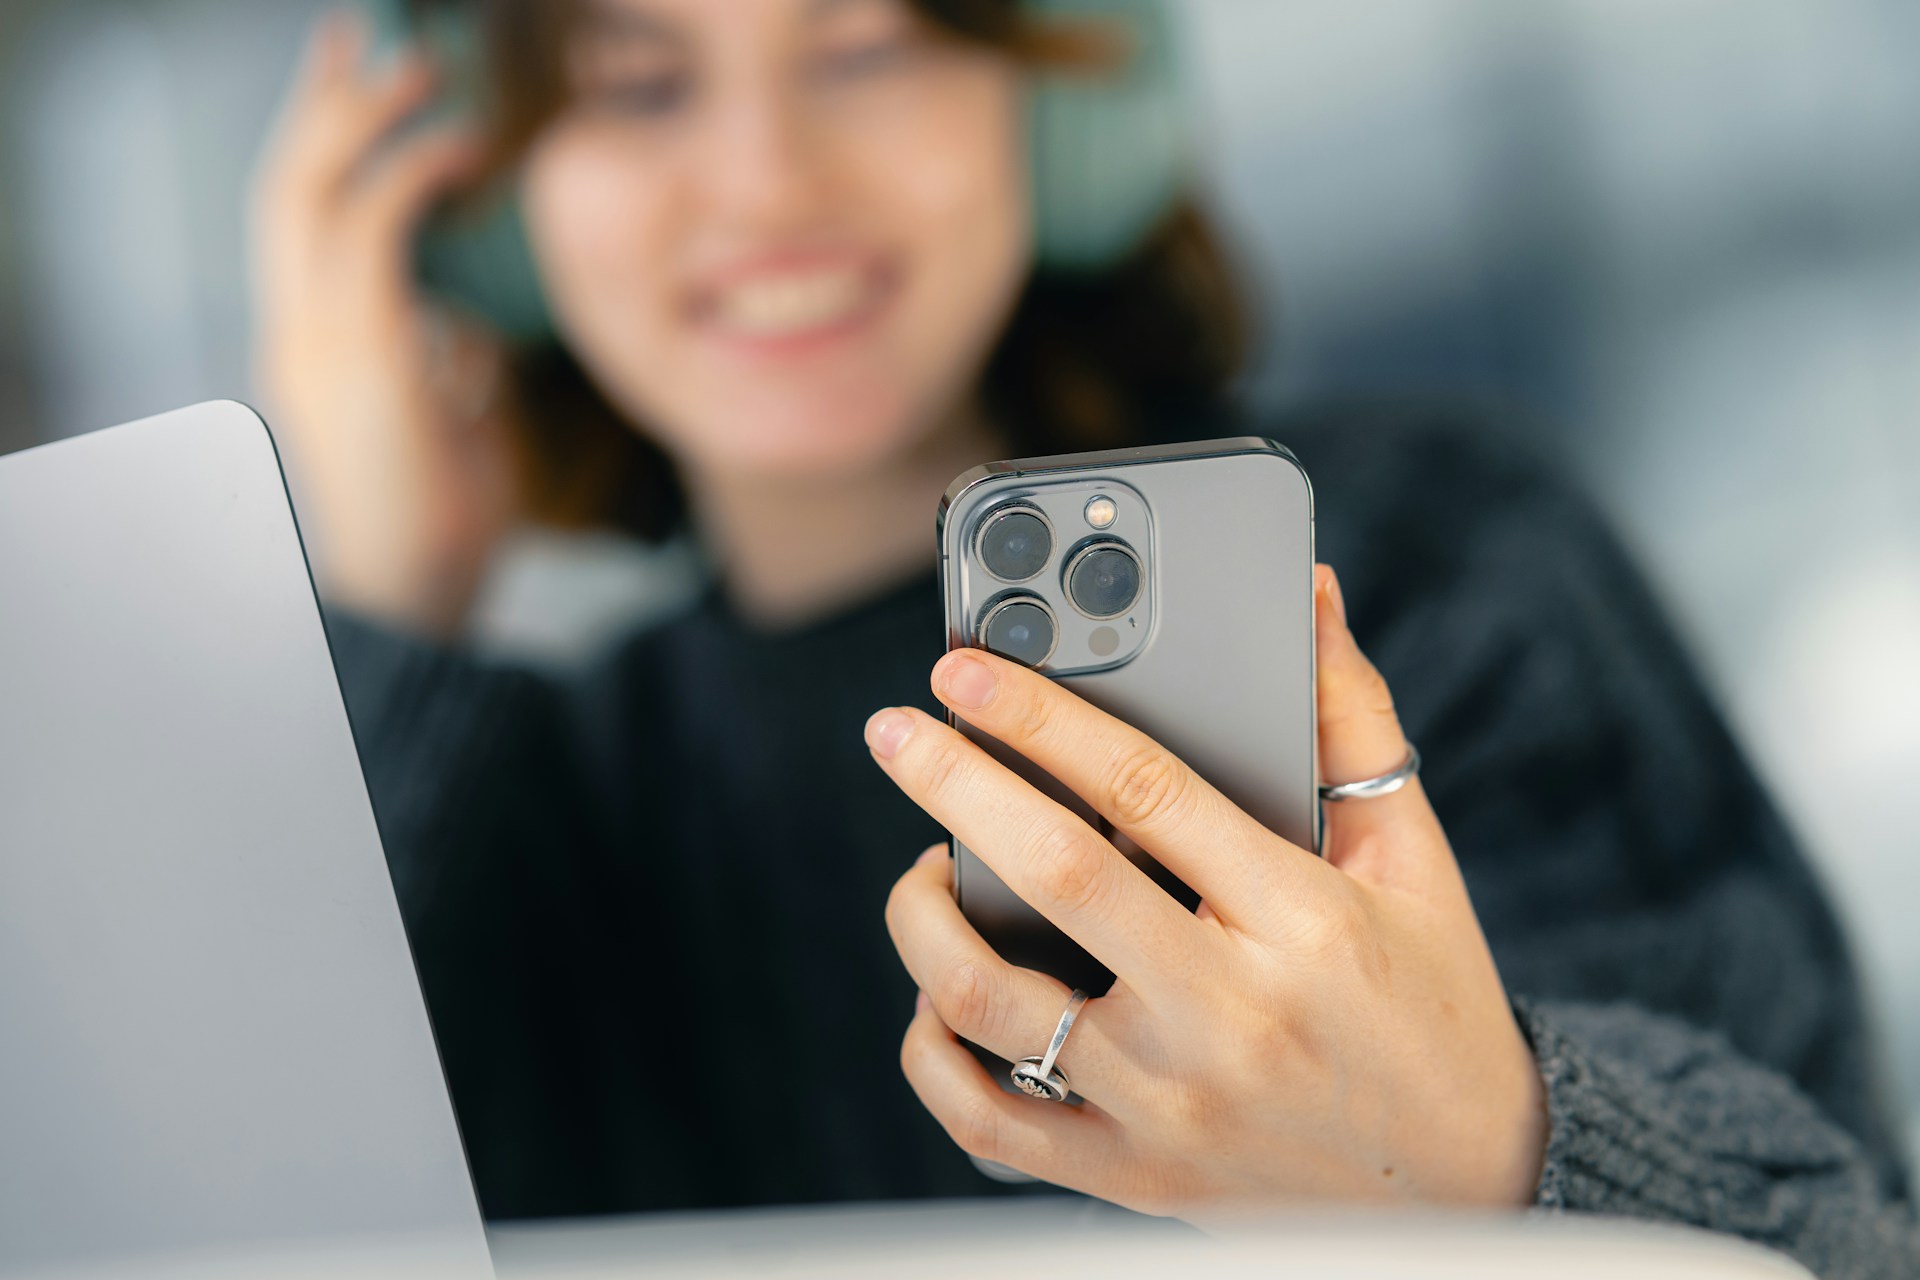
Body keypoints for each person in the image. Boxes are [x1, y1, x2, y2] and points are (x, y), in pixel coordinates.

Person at [250, 0, 1917, 1273]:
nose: (764, 184)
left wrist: (1488, 1149)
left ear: (1064, 96)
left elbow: (1840, 1224)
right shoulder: (529, 794)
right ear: (474, 208)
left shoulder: (1426, 549)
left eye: (868, 48)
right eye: (634, 84)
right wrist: (382, 614)